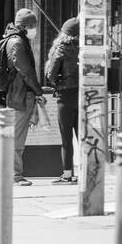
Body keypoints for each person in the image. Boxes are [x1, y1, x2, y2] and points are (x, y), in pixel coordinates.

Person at [0, 9, 46, 185]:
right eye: (33, 26)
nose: (35, 30)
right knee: (16, 138)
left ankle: (1, 170)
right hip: (17, 96)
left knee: (4, 135)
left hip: (7, 96)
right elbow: (26, 71)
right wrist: (38, 91)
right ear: (25, 26)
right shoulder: (18, 43)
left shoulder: (9, 40)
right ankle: (15, 175)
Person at [44, 17, 80, 183]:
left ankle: (67, 174)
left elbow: (51, 75)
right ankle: (90, 171)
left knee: (66, 138)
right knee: (84, 135)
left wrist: (56, 79)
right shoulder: (85, 47)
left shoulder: (61, 47)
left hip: (65, 95)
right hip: (83, 94)